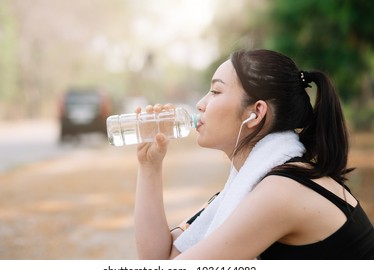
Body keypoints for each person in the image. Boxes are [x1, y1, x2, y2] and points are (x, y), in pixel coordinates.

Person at [134, 49, 374, 259]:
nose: (200, 103)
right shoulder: (257, 181)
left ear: (256, 113)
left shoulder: (281, 191)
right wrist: (149, 165)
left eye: (216, 91)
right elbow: (160, 260)